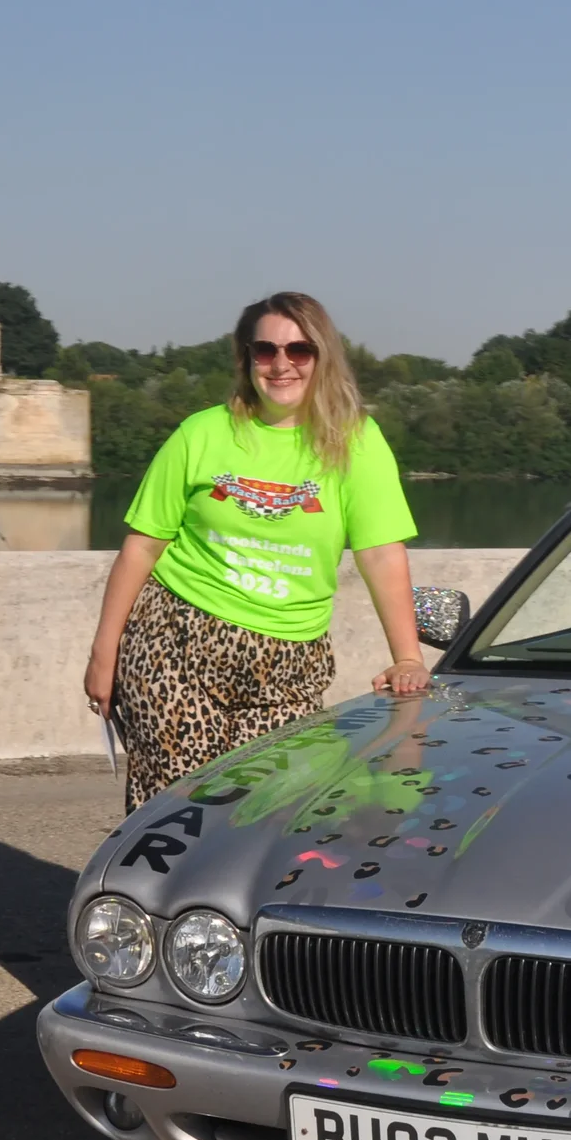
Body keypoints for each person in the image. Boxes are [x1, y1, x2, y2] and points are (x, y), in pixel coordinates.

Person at [82, 293, 430, 812]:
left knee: (273, 819)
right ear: (246, 358)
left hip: (288, 664)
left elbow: (381, 554)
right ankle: (146, 898)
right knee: (180, 816)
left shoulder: (356, 442)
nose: (281, 364)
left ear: (323, 356)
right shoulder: (201, 434)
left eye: (299, 350)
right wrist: (103, 653)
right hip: (175, 645)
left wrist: (408, 656)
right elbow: (142, 546)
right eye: (265, 350)